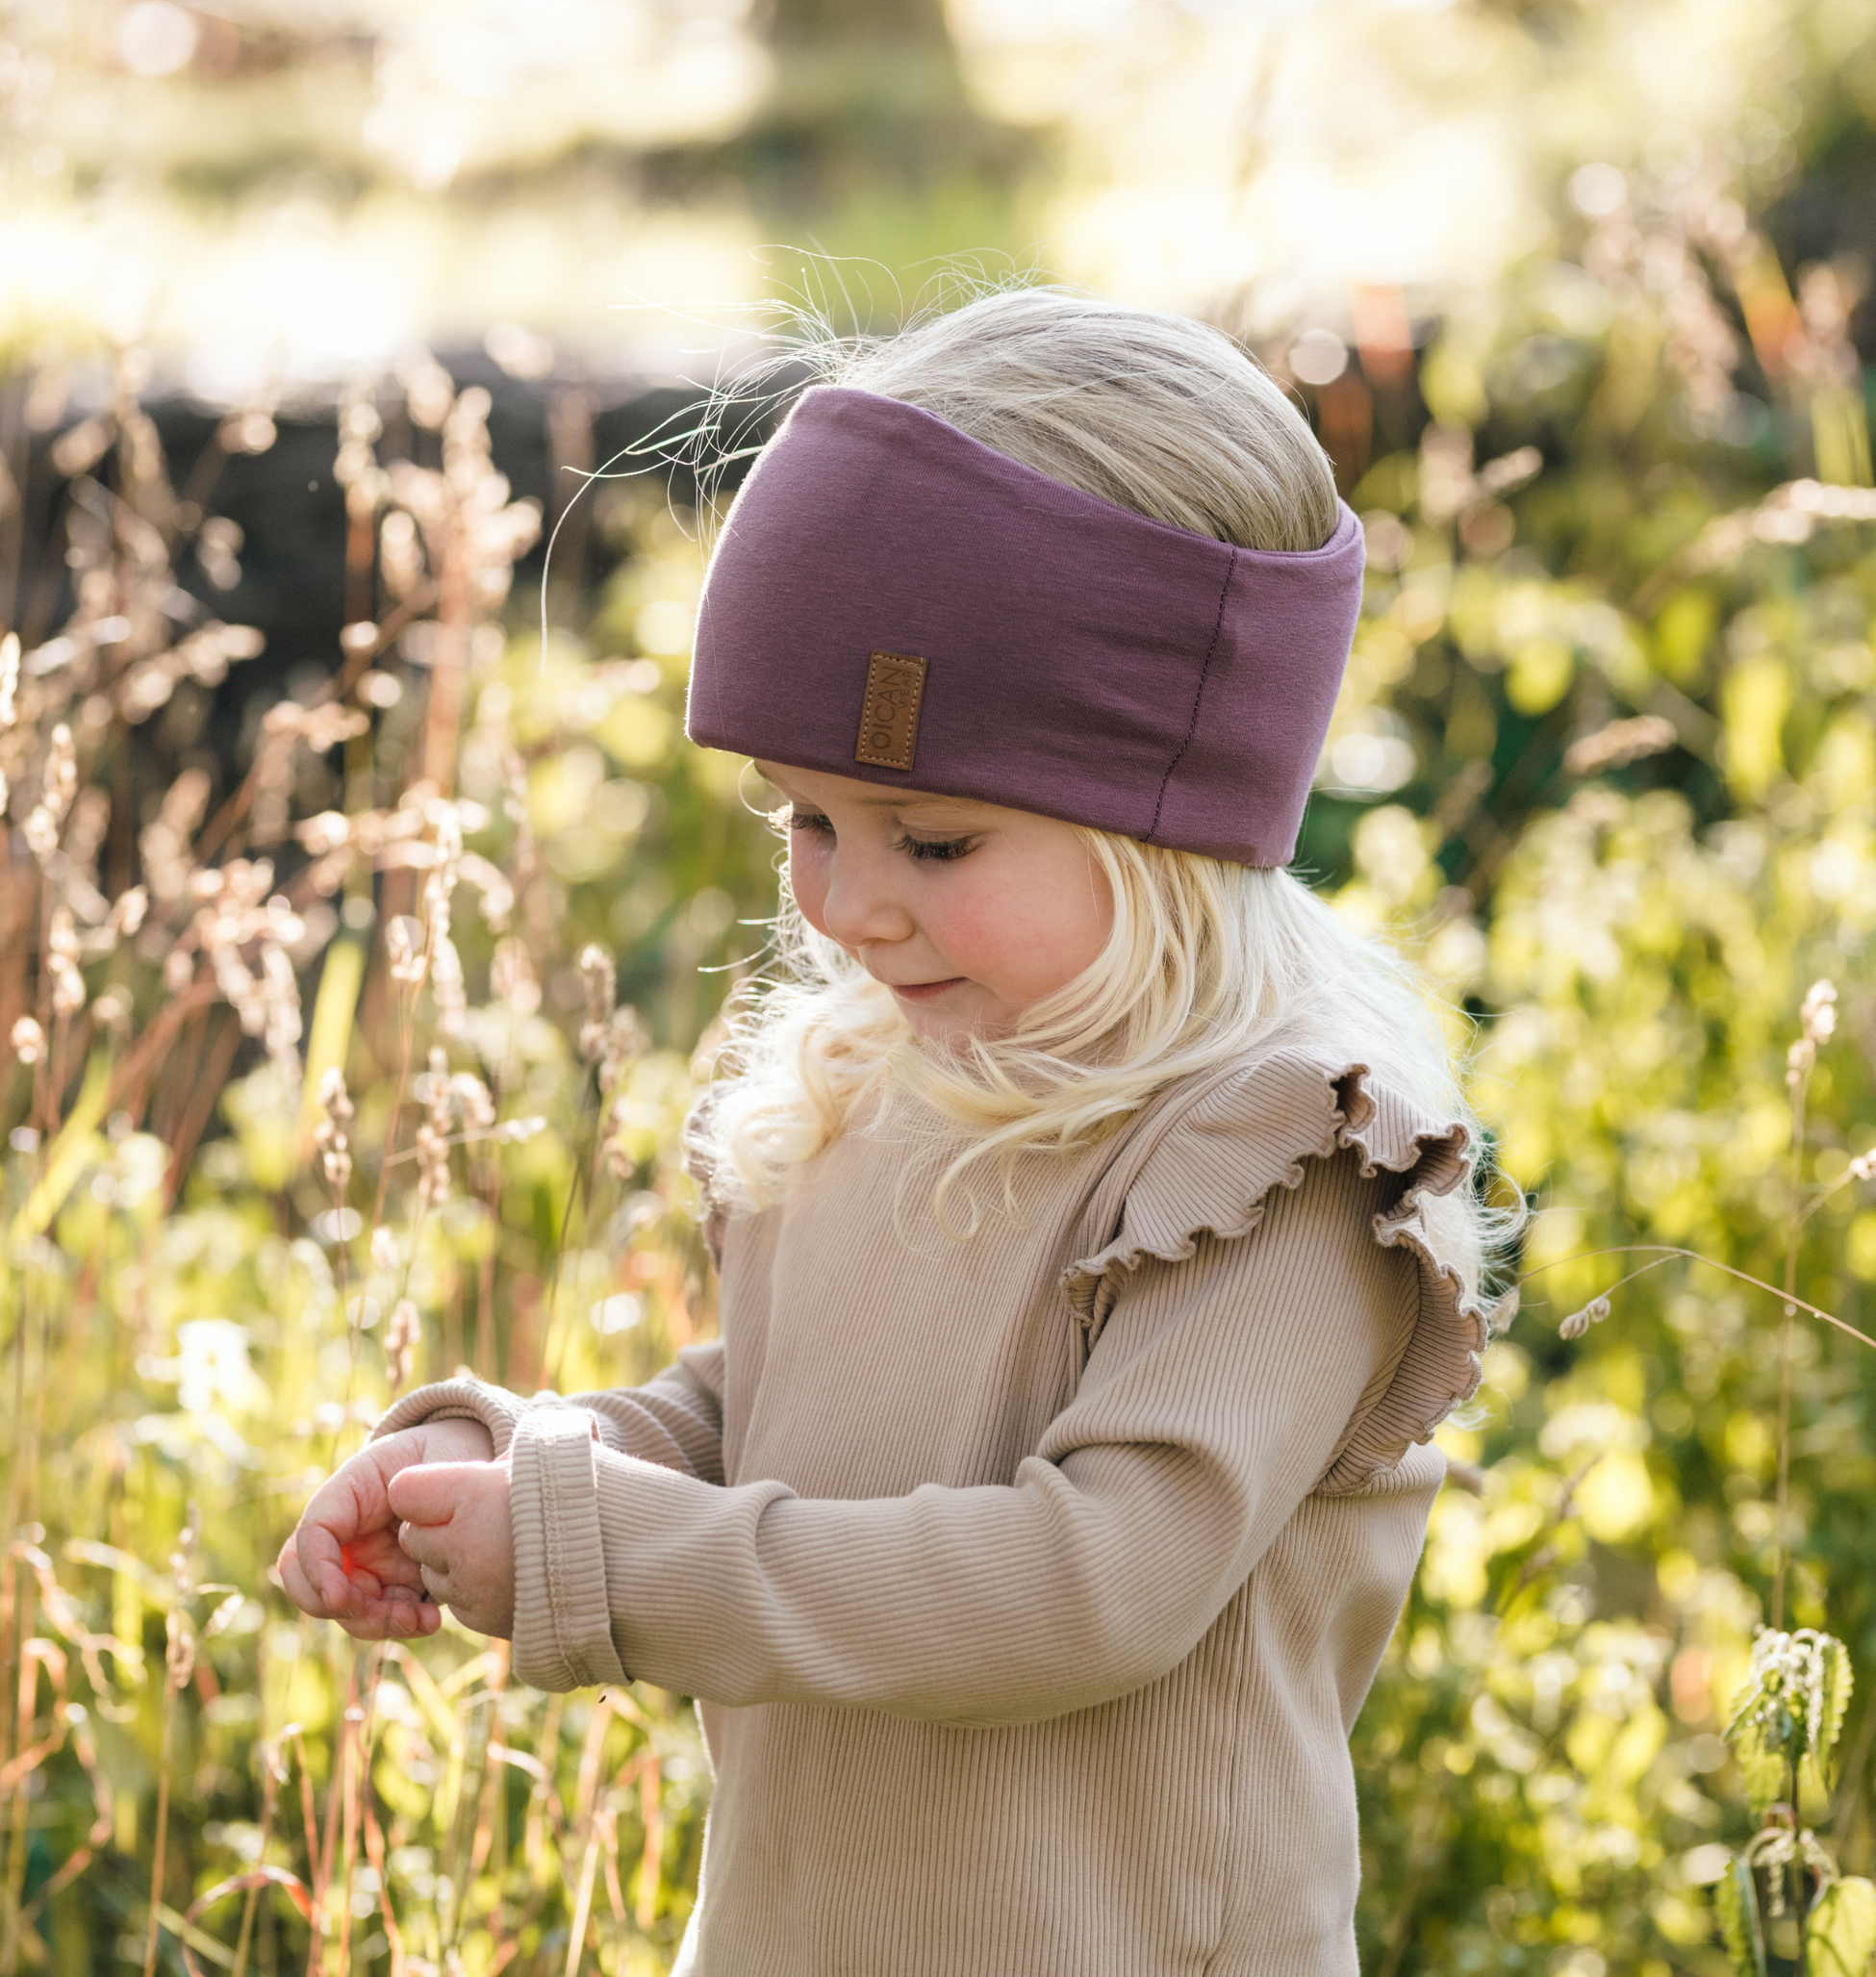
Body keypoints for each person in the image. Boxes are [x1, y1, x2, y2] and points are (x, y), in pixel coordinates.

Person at [282, 288, 1516, 1975]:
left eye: (932, 841)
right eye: (810, 819)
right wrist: (524, 1465)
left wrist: (597, 1549)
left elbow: (1087, 1584)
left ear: (1174, 819)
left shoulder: (1279, 1154)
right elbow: (776, 1415)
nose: (849, 905)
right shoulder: (893, 1063)